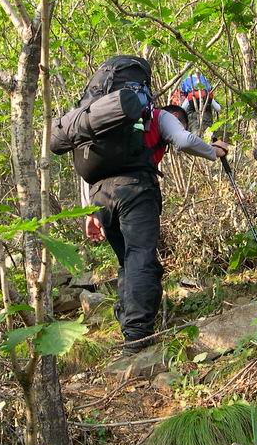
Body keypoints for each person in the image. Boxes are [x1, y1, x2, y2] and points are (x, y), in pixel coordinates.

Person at [81, 103, 229, 354]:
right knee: (140, 259)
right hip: (135, 191)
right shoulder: (159, 117)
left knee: (127, 261)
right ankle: (137, 338)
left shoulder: (109, 121)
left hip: (100, 196)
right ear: (176, 118)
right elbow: (184, 140)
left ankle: (127, 321)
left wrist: (89, 212)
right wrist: (213, 151)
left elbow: (87, 165)